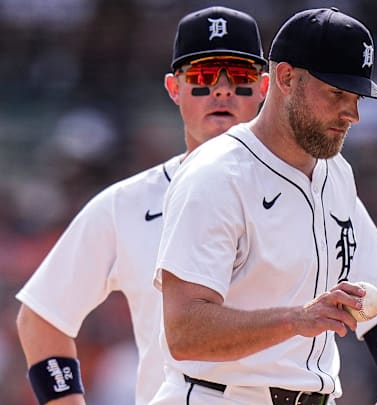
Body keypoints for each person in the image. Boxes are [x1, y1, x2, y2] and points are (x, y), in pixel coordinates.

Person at [150, 7, 377, 405]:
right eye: (337, 93)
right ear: (287, 78)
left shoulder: (336, 173)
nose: (353, 115)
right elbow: (184, 332)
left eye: (357, 96)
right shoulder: (218, 174)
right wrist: (296, 319)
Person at [15, 7, 270, 405]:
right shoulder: (127, 204)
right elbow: (40, 317)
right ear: (174, 88)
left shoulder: (314, 191)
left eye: (239, 78)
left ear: (264, 88)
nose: (222, 91)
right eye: (203, 78)